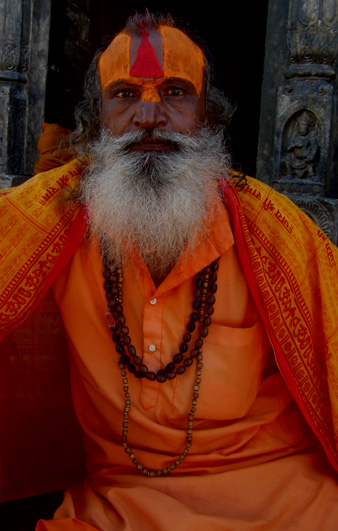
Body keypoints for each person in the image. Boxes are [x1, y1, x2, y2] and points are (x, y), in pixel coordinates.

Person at [1, 11, 338, 531]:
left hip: (277, 493)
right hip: (121, 500)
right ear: (98, 121)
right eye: (125, 94)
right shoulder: (51, 217)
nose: (150, 116)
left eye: (177, 92)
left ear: (208, 118)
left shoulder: (275, 233)